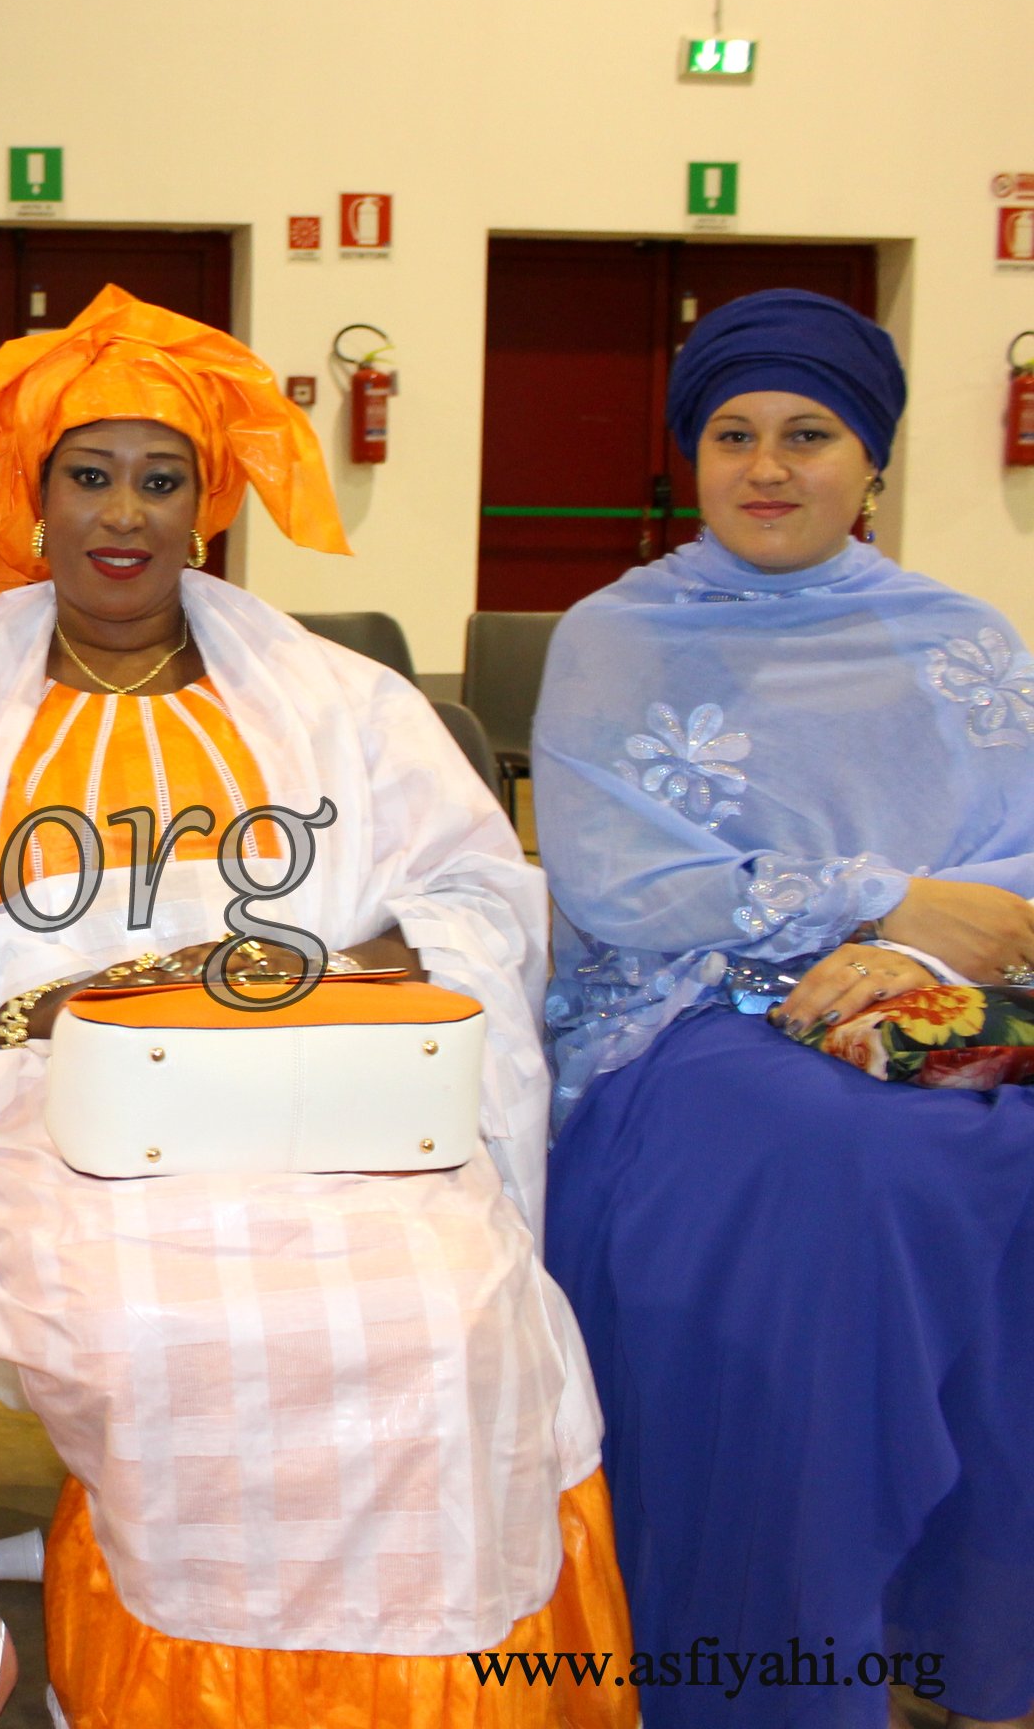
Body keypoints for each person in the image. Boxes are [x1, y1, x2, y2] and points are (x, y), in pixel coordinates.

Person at [0, 286, 628, 1727]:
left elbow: (482, 895)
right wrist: (61, 987)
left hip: (315, 1082)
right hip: (65, 1103)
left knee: (448, 1303)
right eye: (89, 474)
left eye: (160, 477)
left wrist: (365, 950)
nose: (123, 511)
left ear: (208, 508)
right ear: (35, 506)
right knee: (152, 1324)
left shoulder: (332, 699)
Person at [538, 290, 1034, 1729]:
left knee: (986, 1143)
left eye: (809, 434)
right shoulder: (615, 638)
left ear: (870, 459)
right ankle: (779, 1654)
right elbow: (623, 884)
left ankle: (974, 1630)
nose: (769, 466)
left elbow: (1014, 869)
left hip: (935, 1006)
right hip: (687, 1021)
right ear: (690, 456)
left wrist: (919, 953)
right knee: (845, 1161)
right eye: (735, 434)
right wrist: (879, 904)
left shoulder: (963, 641)